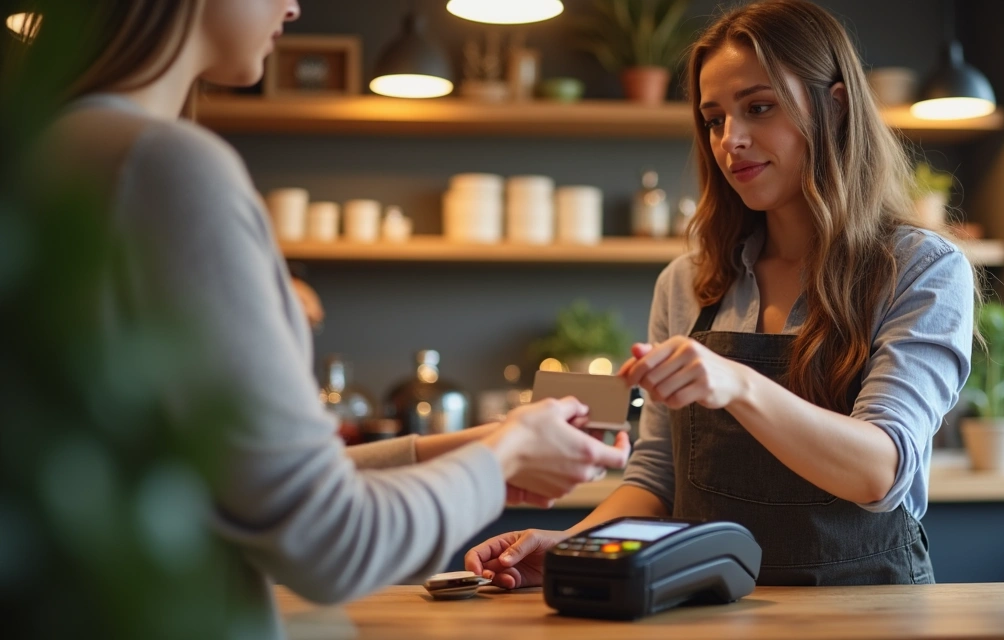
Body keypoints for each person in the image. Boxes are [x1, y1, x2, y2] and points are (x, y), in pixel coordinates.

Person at [14, 0, 629, 634]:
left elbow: (235, 488)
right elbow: (332, 541)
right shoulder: (162, 165)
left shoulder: (60, 147)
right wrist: (503, 457)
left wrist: (477, 446)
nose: (293, 6)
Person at [466, 0, 978, 587]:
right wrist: (573, 546)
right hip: (711, 608)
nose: (731, 139)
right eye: (714, 119)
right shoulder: (687, 283)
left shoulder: (920, 269)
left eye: (758, 108)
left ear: (835, 106)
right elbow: (658, 478)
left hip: (870, 612)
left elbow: (880, 472)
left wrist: (736, 383)